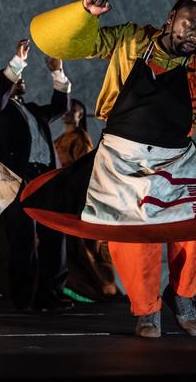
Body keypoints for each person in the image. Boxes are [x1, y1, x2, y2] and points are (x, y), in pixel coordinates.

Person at [21, 0, 196, 338]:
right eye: (190, 23)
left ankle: (182, 296)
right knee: (132, 237)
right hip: (123, 159)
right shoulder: (130, 40)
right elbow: (78, 44)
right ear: (170, 19)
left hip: (177, 158)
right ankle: (147, 311)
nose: (195, 34)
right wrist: (86, 13)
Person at [0, 39, 72, 311]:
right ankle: (23, 298)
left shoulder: (32, 110)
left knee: (54, 236)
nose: (20, 80)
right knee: (22, 239)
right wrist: (17, 63)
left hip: (45, 178)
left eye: (21, 77)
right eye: (14, 78)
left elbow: (60, 107)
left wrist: (57, 72)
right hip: (19, 178)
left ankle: (50, 295)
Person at [54, 99, 120, 302]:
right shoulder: (60, 139)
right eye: (66, 109)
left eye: (73, 110)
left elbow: (84, 170)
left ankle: (98, 289)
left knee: (85, 248)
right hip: (63, 196)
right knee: (73, 248)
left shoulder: (81, 138)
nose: (67, 113)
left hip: (76, 198)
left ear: (80, 115)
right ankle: (78, 288)